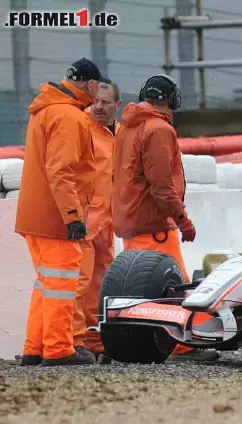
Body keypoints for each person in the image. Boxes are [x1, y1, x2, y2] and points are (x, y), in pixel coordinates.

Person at [112, 74, 217, 362]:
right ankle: (183, 344)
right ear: (171, 99)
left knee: (136, 289)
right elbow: (161, 186)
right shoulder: (159, 129)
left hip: (131, 221)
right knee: (174, 285)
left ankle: (135, 340)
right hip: (154, 223)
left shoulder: (127, 126)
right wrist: (182, 218)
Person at [15, 58, 111, 366]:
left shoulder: (46, 110)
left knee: (46, 282)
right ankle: (58, 349)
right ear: (90, 84)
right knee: (61, 283)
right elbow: (61, 170)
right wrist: (73, 216)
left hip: (37, 215)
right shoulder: (68, 116)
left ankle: (36, 347)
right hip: (58, 218)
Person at [73, 81, 122, 364]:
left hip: (108, 222)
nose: (99, 107)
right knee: (80, 282)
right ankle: (73, 340)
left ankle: (95, 340)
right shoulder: (82, 128)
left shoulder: (121, 133)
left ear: (118, 104)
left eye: (106, 103)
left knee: (102, 283)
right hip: (85, 219)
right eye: (97, 102)